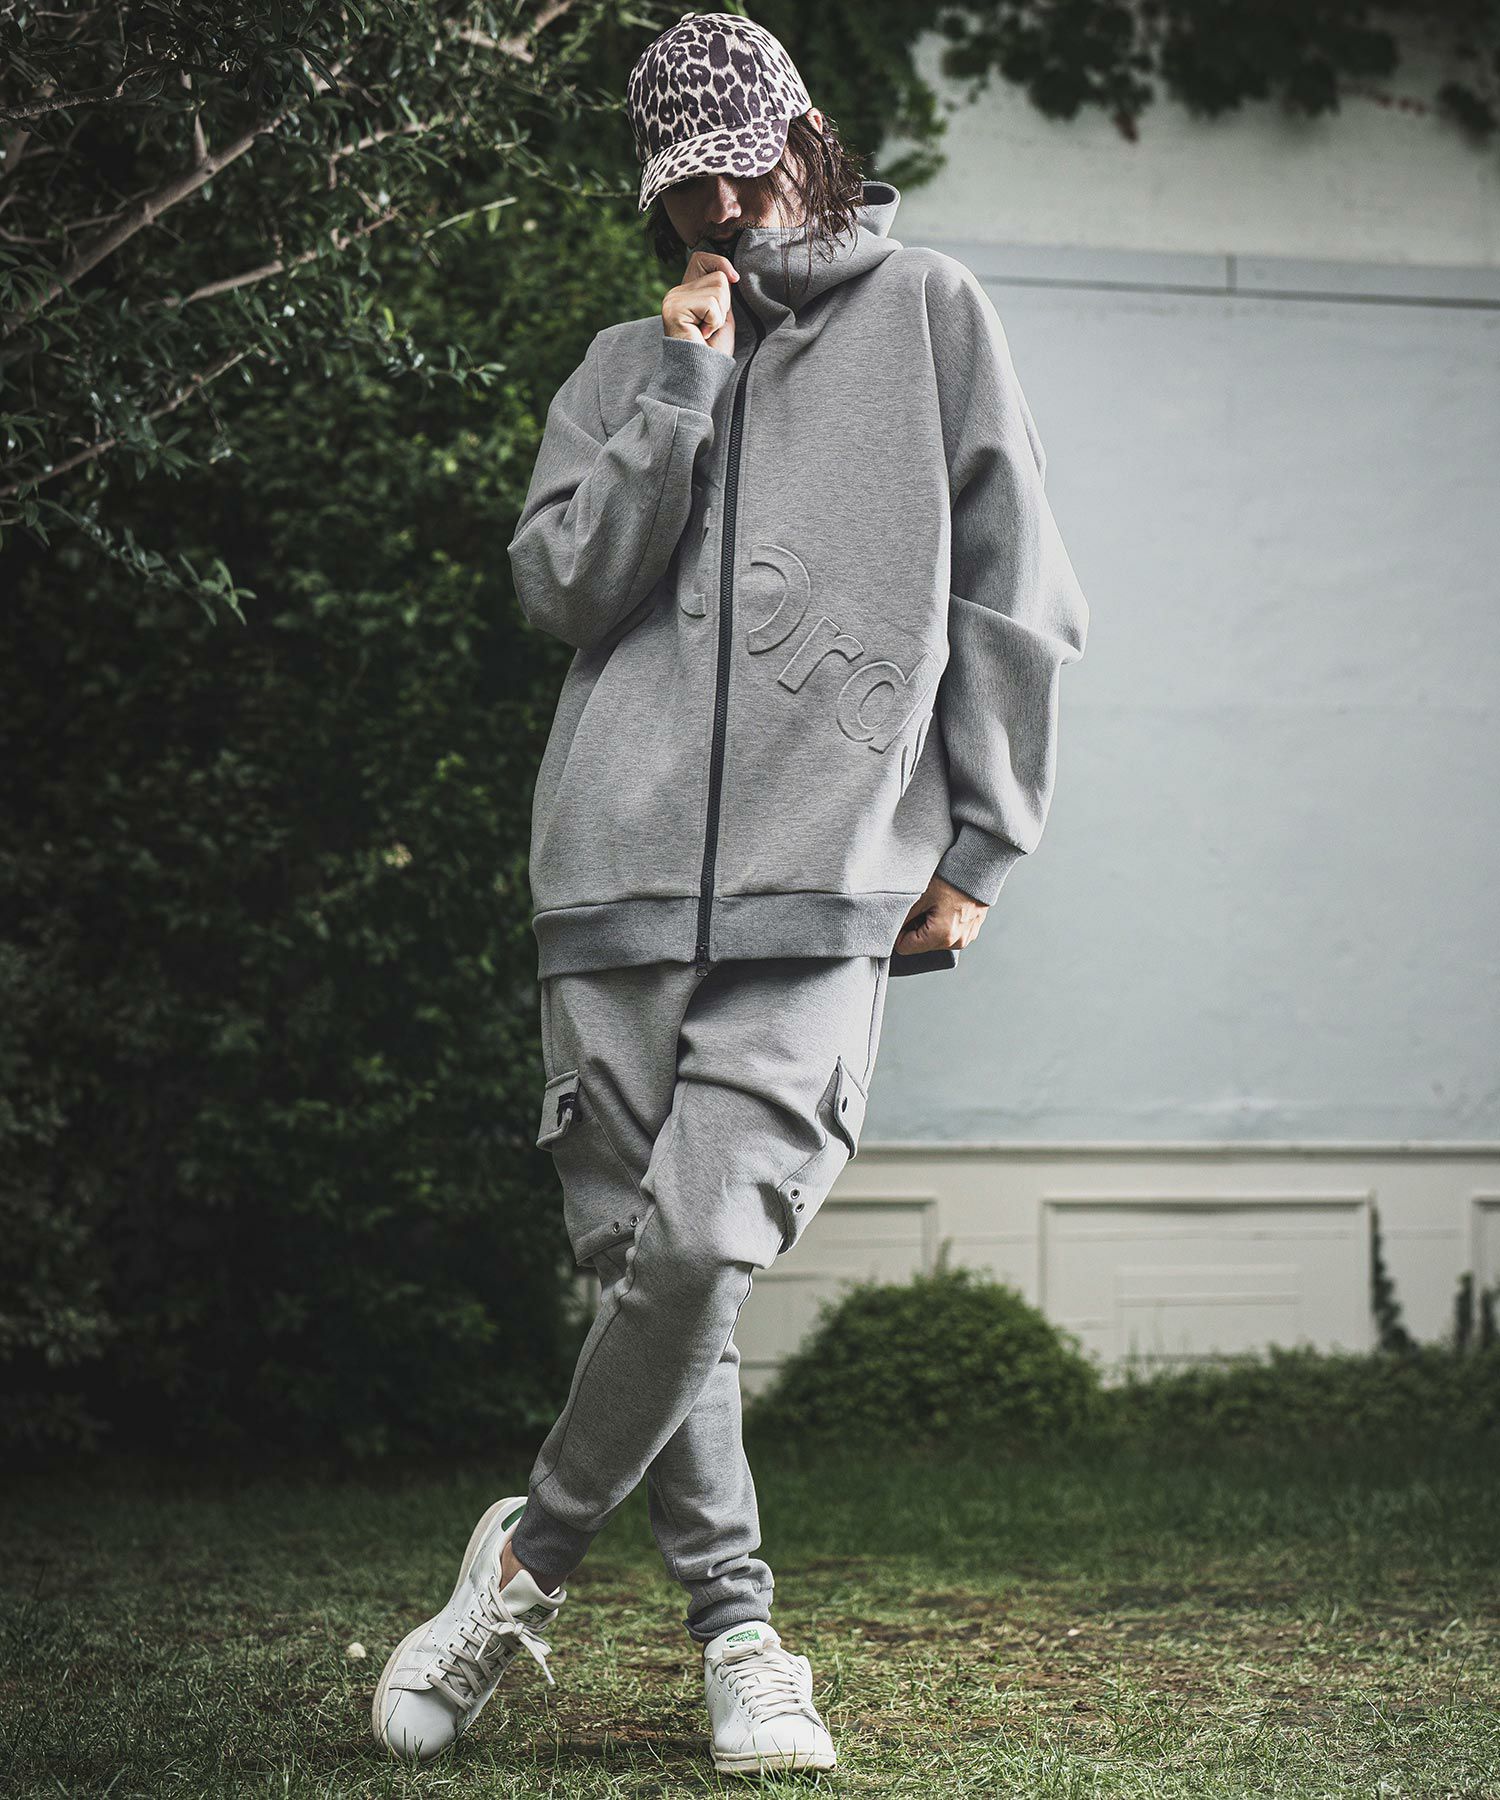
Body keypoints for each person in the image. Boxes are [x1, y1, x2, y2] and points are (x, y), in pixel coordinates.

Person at [372, 7, 1089, 1775]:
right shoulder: (625, 362)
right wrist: (680, 390)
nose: (722, 203)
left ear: (807, 140)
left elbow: (1015, 590)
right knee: (654, 1285)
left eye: (746, 162)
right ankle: (742, 1641)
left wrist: (981, 844)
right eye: (687, 183)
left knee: (700, 1246)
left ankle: (520, 1569)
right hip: (607, 889)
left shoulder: (932, 316)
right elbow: (564, 591)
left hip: (825, 884)